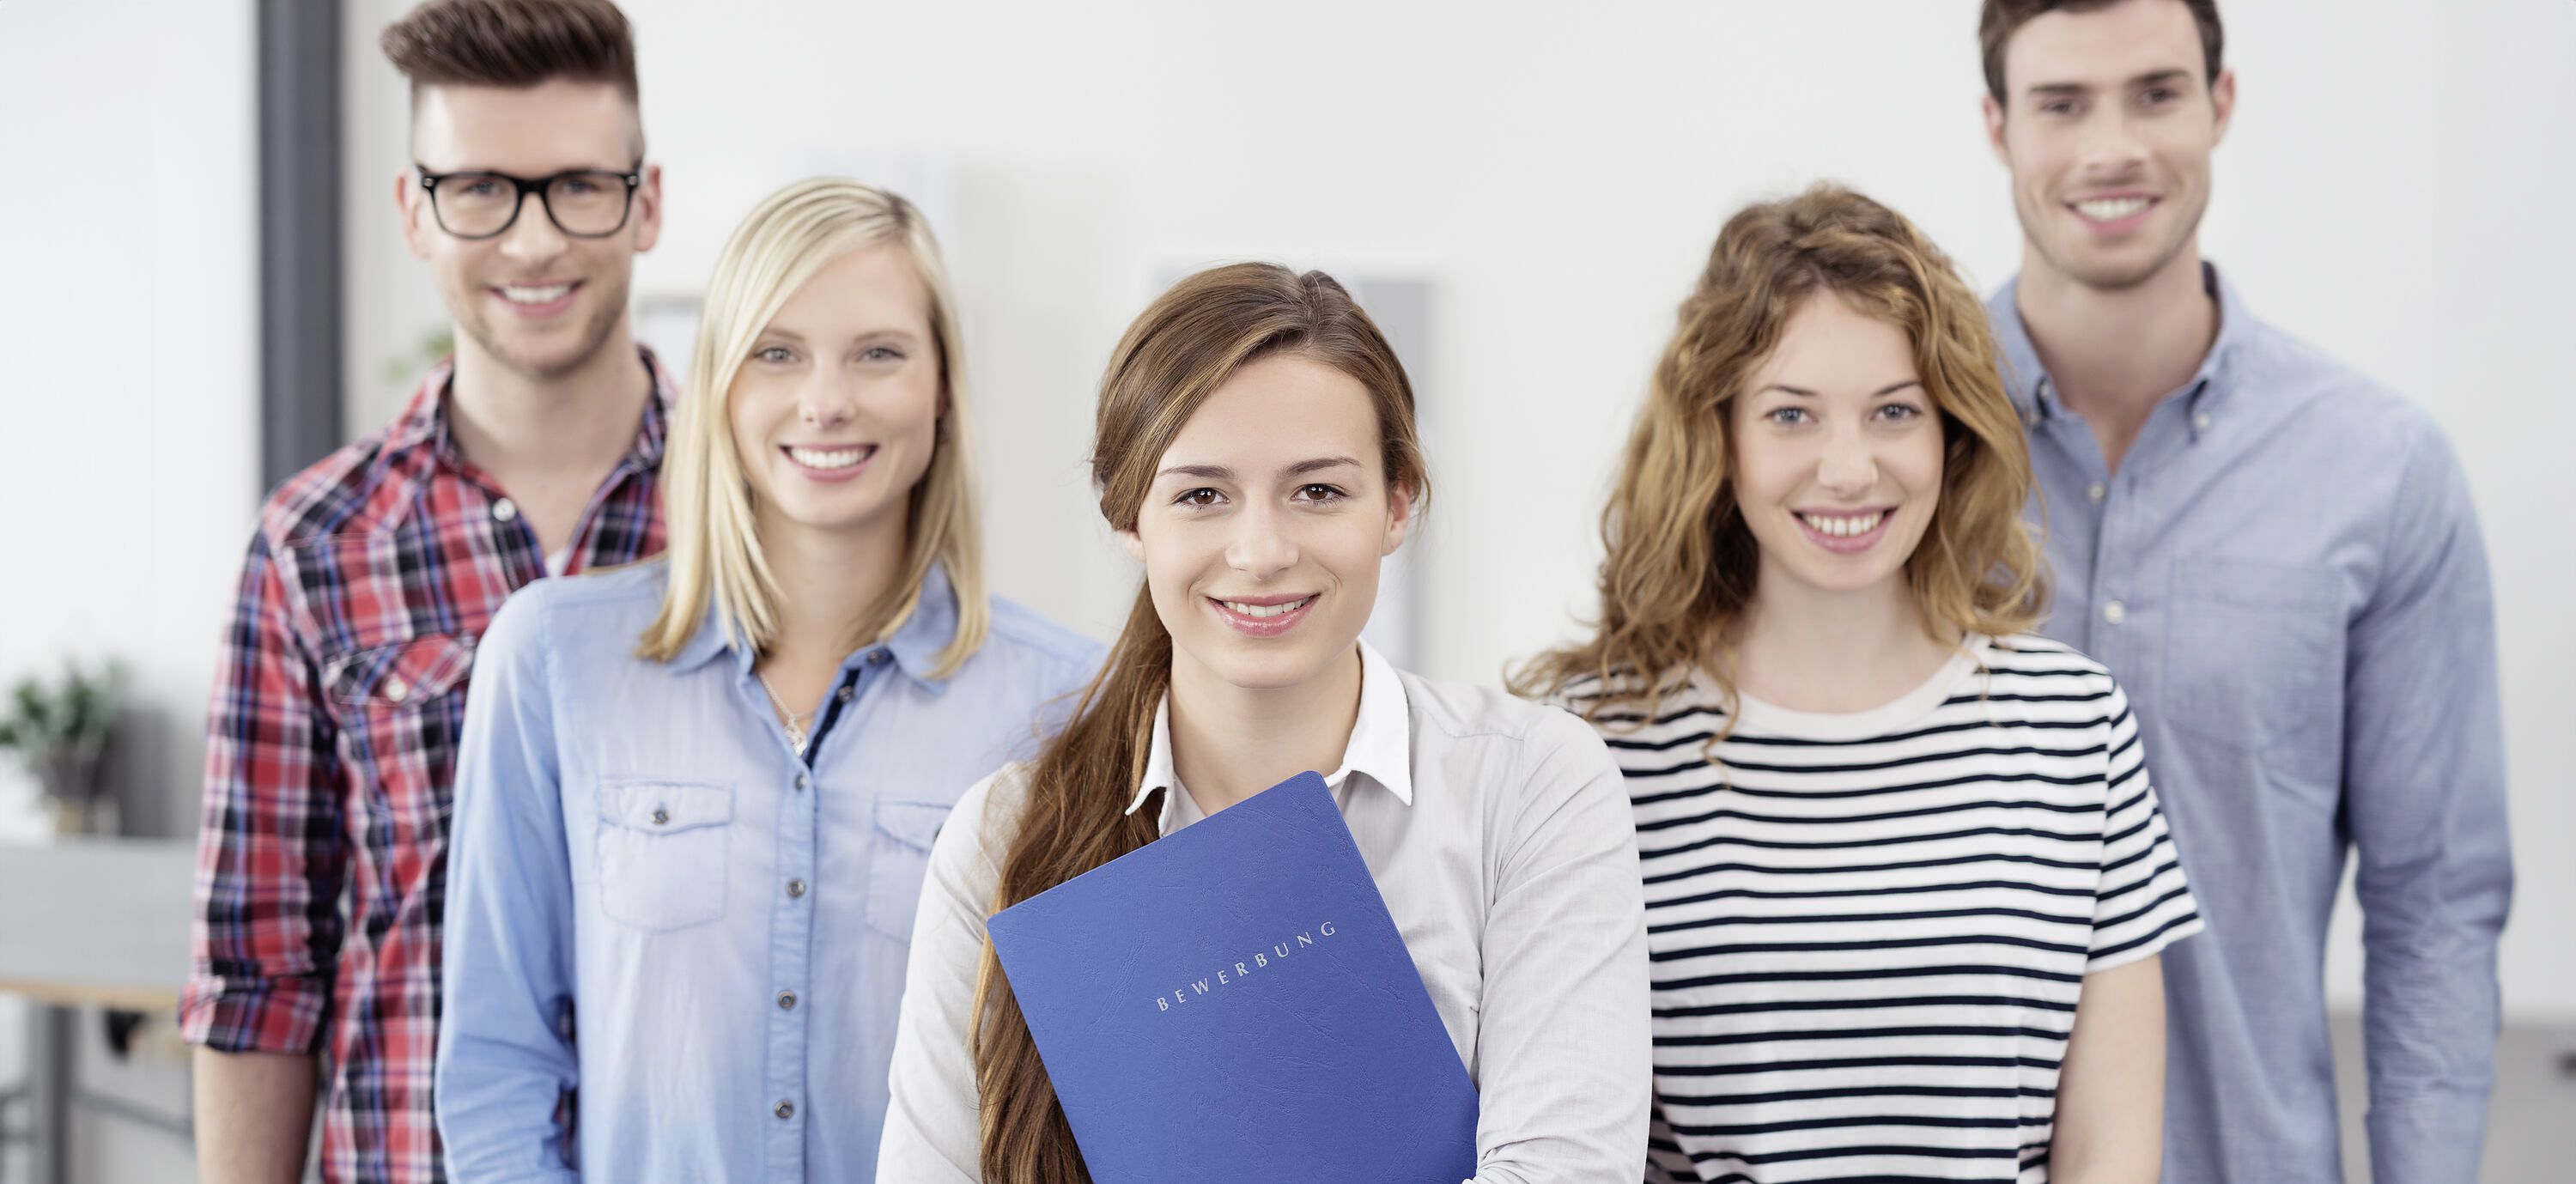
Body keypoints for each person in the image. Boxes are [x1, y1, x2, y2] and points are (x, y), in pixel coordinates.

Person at [876, 263, 1649, 1183]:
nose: (1262, 551)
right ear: (1131, 517)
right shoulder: (1002, 840)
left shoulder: (1529, 783)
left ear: (1399, 502)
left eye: (1318, 491)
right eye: (1202, 495)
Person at [1517, 185, 2202, 1184]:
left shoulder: (2076, 728)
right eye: (1791, 414)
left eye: (1893, 411)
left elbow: (2110, 1155)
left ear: (1949, 433)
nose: (1848, 468)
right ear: (1723, 436)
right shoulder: (1598, 748)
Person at [432, 178, 1101, 1181]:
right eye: (776, 352)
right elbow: (495, 1070)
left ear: (944, 388)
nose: (825, 400)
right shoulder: (552, 661)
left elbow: (1082, 1093)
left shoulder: (1065, 702)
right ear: (720, 388)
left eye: (879, 352)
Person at [1975, 3, 2513, 1180]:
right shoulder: (1875, 453)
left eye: (2156, 93)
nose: (2112, 145)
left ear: (2220, 105)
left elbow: (2434, 904)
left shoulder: (2381, 469)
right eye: (2062, 103)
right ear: (1997, 126)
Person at [184, 3, 669, 1181]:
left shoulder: (765, 519)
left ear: (647, 201)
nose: (534, 240)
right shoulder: (314, 545)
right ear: (414, 209)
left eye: (578, 188)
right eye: (479, 191)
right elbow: (257, 971)